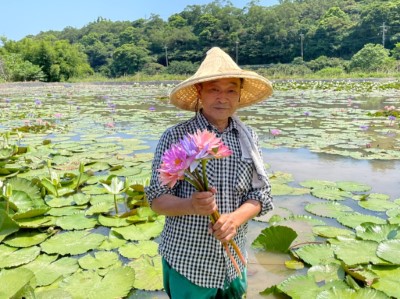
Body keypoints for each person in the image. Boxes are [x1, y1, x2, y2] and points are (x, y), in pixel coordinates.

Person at [145, 47, 274, 298]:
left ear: (239, 96)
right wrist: (191, 205)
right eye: (214, 89)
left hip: (234, 263)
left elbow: (261, 194)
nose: (222, 98)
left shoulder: (248, 137)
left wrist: (235, 219)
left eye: (230, 90)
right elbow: (157, 200)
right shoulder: (175, 136)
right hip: (189, 263)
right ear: (199, 92)